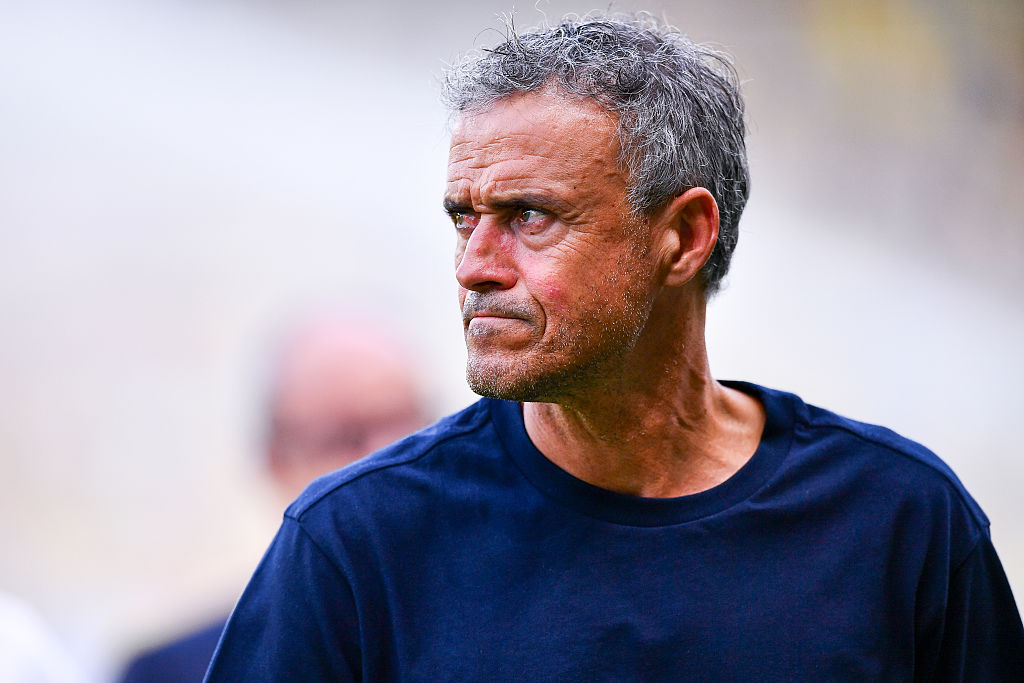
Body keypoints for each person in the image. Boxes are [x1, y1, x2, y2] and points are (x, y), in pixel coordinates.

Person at [205, 13, 1024, 680]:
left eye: (529, 216)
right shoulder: (357, 544)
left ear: (684, 236)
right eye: (463, 218)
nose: (474, 266)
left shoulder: (899, 526)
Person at [120, 312, 427, 682]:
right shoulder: (179, 672)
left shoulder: (489, 630)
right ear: (277, 464)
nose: (387, 459)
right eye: (345, 437)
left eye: (409, 426)